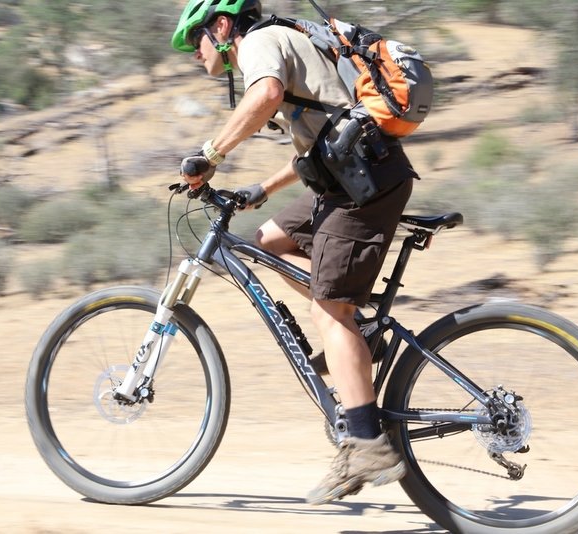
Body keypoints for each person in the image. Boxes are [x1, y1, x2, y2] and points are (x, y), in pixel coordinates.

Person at [172, 0, 415, 504]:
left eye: (194, 40)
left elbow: (265, 94)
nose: (194, 54)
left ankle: (368, 442)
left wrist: (211, 155)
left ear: (220, 26)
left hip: (362, 187)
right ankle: (359, 331)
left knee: (329, 310)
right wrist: (259, 190)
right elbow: (316, 144)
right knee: (266, 242)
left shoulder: (259, 42)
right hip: (346, 178)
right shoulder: (283, 41)